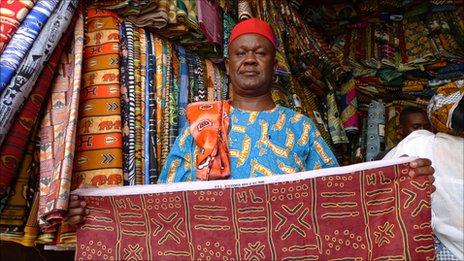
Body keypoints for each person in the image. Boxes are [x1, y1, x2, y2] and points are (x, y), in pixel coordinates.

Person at [67, 18, 435, 225]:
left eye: (260, 53)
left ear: (274, 65)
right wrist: (99, 214)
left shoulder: (301, 128)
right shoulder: (203, 124)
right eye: (241, 53)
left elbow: (338, 197)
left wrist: (400, 180)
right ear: (228, 65)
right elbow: (162, 199)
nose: (250, 60)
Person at [382, 82, 463, 260]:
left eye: (425, 127)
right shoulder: (418, 148)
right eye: (416, 127)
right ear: (399, 131)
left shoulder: (421, 145)